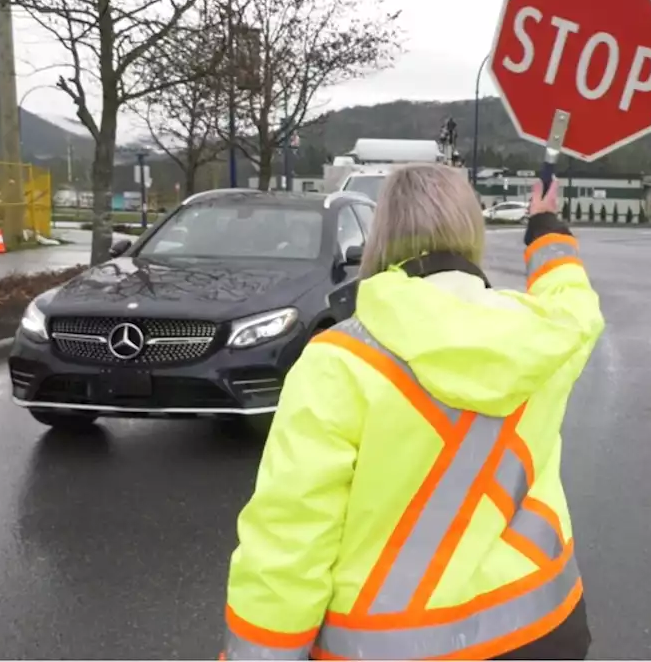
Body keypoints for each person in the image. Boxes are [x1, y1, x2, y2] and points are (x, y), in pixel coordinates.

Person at [221, 163, 604, 661]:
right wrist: (547, 229)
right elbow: (575, 304)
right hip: (540, 631)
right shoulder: (543, 336)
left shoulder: (337, 361)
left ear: (383, 235)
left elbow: (290, 541)